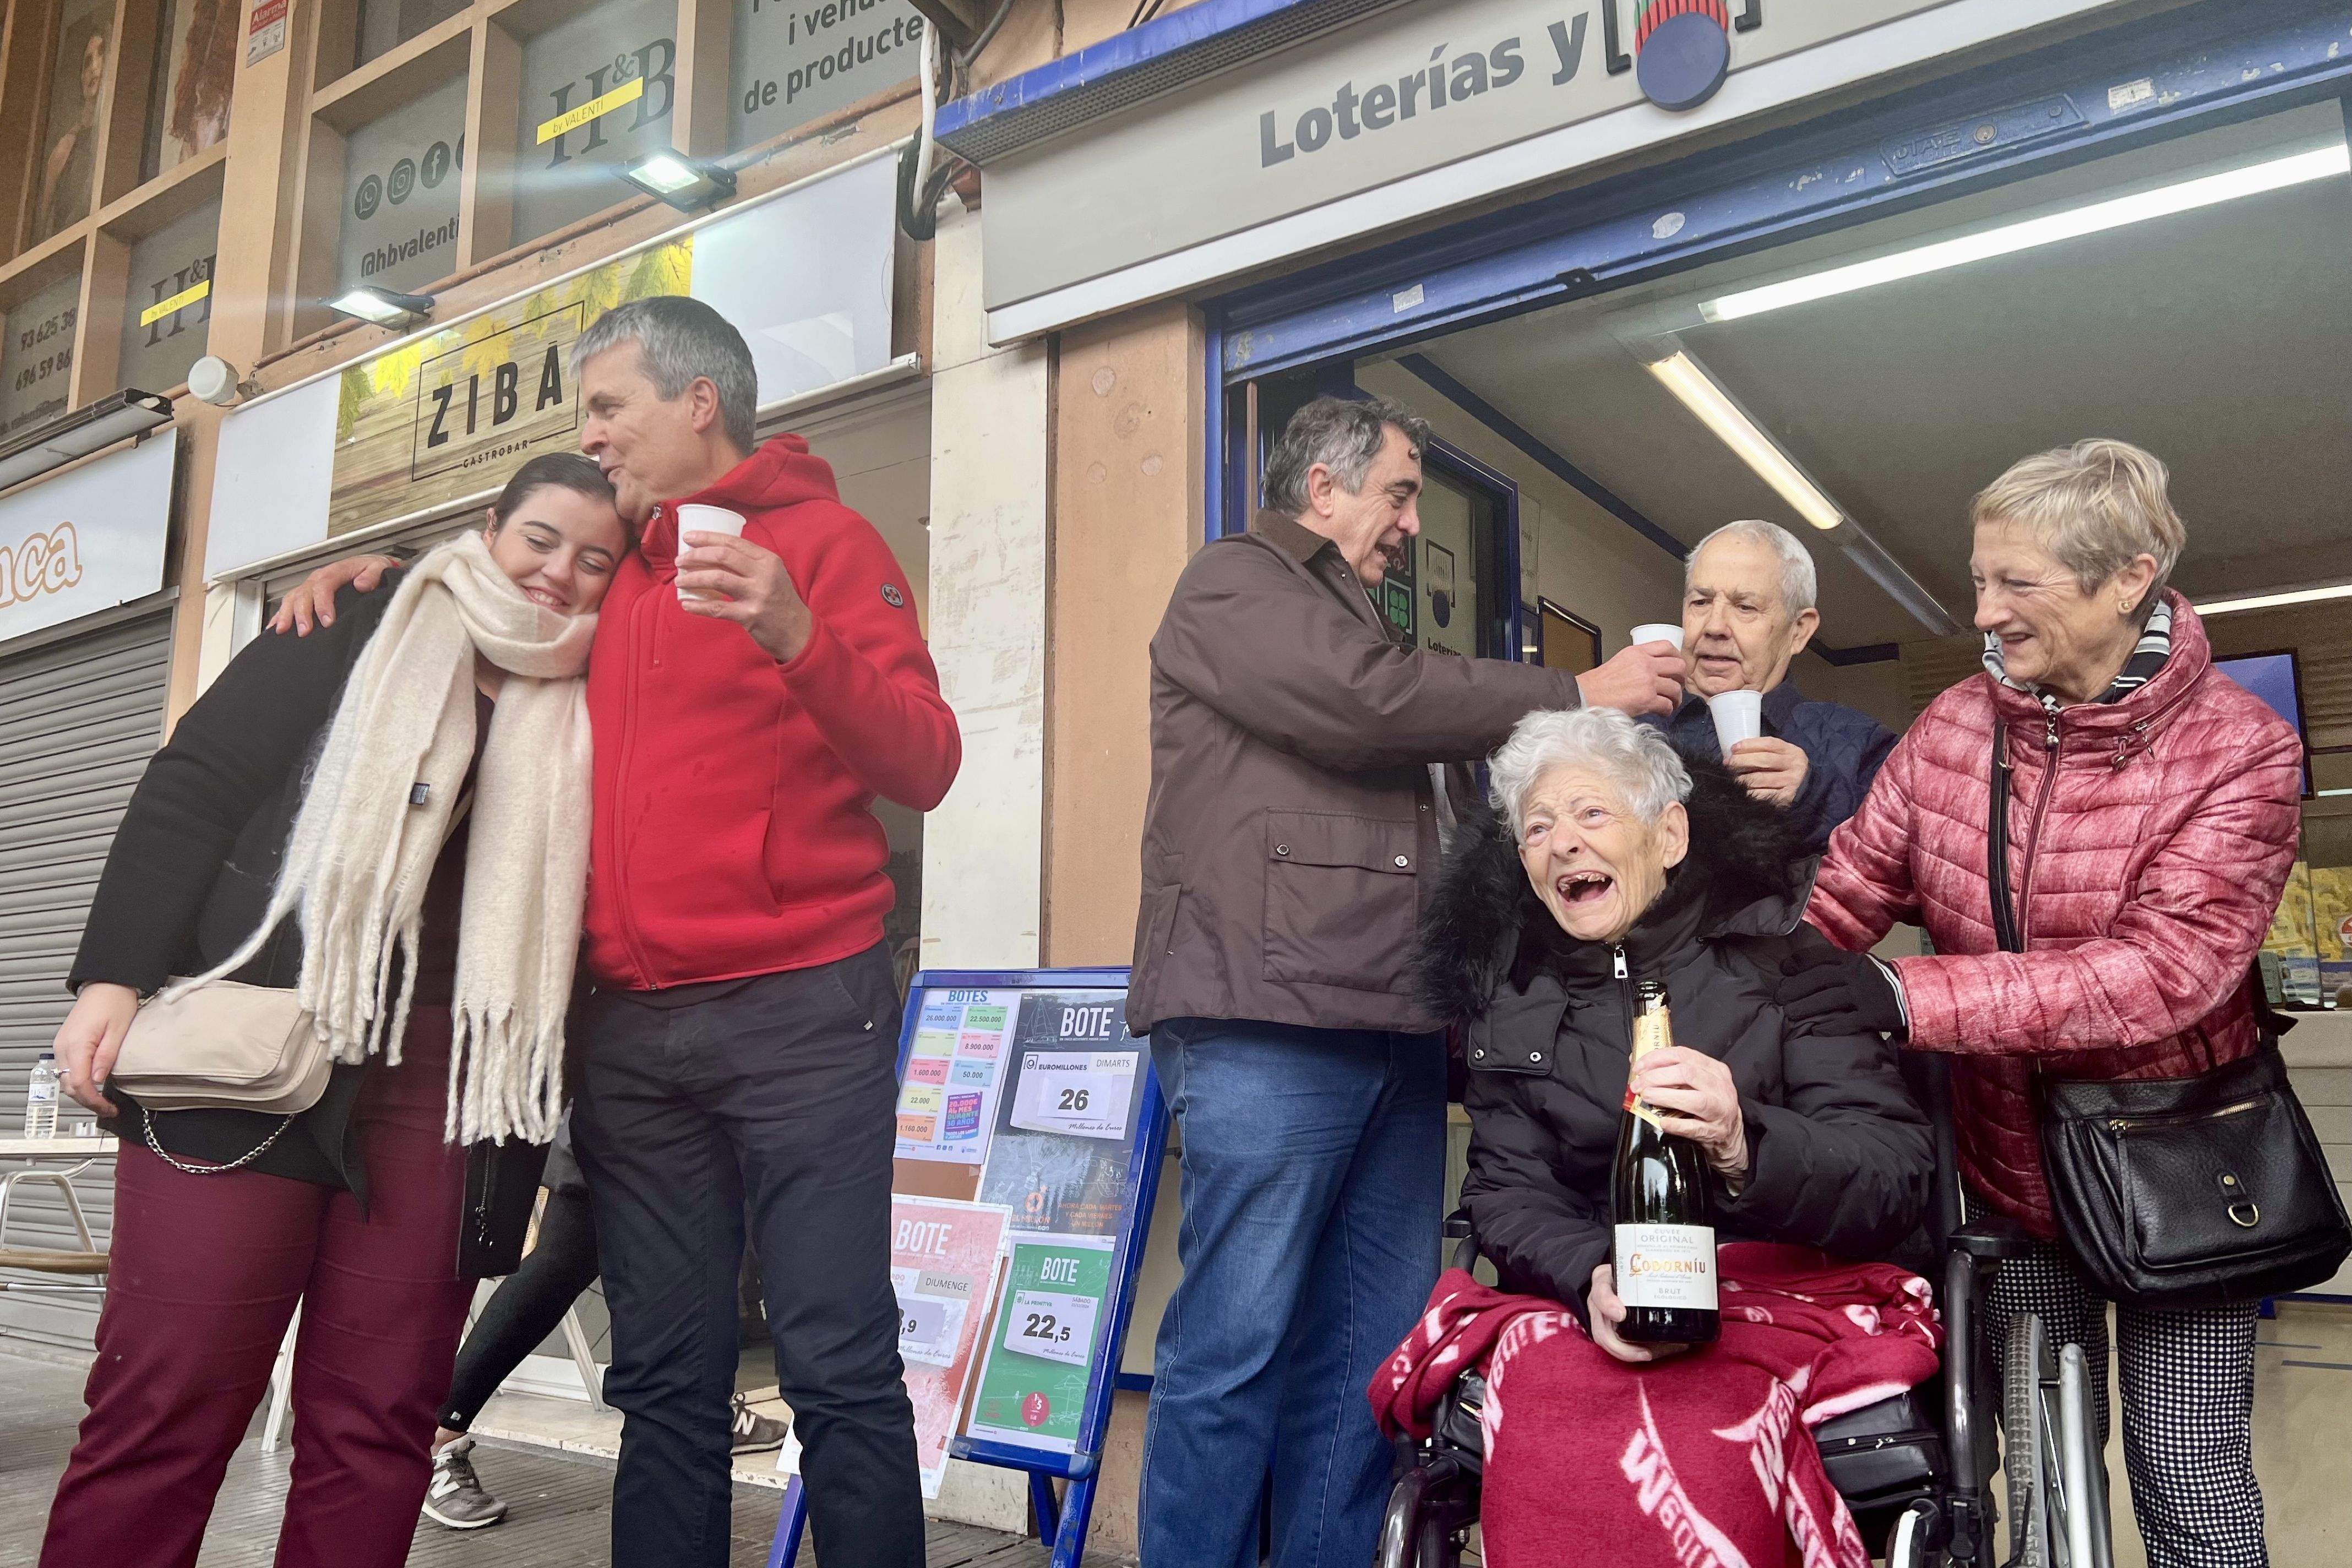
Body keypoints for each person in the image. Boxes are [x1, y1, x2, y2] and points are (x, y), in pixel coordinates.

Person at [275, 295, 958, 1568]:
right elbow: (482, 619)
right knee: (665, 1381)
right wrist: (374, 589)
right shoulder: (612, 573)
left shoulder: (826, 539)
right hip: (633, 1035)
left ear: (698, 398)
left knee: (836, 1362)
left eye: (607, 405)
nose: (589, 434)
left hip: (808, 1011)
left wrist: (795, 631)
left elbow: (926, 761)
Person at [1128, 394, 1686, 1568]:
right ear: (1321, 489)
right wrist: (1579, 692)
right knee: (1235, 1346)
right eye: (1397, 492)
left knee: (1370, 1349)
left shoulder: (1349, 618)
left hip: (1388, 1023)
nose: (1409, 522)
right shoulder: (1235, 581)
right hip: (1267, 1020)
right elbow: (1363, 703)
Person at [40, 455, 628, 1568]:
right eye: (542, 538)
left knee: (380, 1424)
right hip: (258, 1041)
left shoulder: (604, 692)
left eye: (596, 559)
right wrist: (112, 976)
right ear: (488, 527)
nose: (561, 573)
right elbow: (197, 782)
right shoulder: (370, 617)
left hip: (452, 1081)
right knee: (163, 1405)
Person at [1781, 439, 2302, 1568]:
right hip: (2010, 1171)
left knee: (2186, 1468)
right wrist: (1732, 993)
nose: (1987, 611)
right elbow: (1847, 894)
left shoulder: (2242, 749)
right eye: (1980, 577)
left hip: (2174, 1172)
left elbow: (2168, 971)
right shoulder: (1957, 728)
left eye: (2019, 581)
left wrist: (1906, 994)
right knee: (2036, 1465)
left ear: (2132, 574)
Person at [1392, 705, 1933, 1565]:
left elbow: (1896, 1171)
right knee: (1550, 1401)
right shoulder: (1517, 1003)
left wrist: (1743, 1141)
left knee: (1707, 1423)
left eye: (1592, 813)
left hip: (1783, 1283)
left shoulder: (1791, 967)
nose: (1563, 842)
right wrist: (1588, 1276)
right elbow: (1505, 1191)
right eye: (1538, 827)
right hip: (1599, 1299)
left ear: (1670, 834)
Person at [419, 1117, 788, 1531]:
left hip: (699, 1111)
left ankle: (702, 1409)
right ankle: (437, 1437)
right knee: (565, 1260)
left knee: (679, 1258)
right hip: (626, 1099)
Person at [1660, 519, 1897, 851]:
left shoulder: (1861, 743)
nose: (1714, 626)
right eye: (1701, 603)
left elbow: (1902, 863)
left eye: (1745, 607)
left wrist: (1812, 797)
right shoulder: (1628, 726)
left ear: (1799, 630)